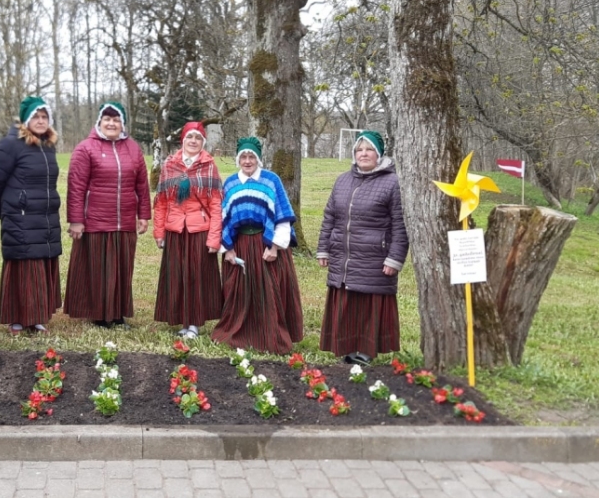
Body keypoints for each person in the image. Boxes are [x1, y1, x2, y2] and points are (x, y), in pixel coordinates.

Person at [317, 130, 408, 366]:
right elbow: (330, 216)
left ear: (378, 154)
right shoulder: (342, 180)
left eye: (369, 150)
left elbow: (401, 224)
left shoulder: (393, 183)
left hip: (375, 258)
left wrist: (394, 259)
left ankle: (366, 352)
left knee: (369, 307)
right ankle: (347, 348)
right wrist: (324, 248)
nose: (363, 154)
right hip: (344, 257)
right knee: (347, 306)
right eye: (359, 149)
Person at [63, 102, 151, 328]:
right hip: (96, 220)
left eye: (116, 119)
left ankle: (118, 313)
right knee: (100, 270)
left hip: (125, 222)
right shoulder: (86, 148)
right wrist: (76, 220)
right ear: (99, 122)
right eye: (107, 119)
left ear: (123, 123)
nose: (112, 123)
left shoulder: (133, 148)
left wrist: (143, 214)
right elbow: (76, 187)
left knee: (122, 269)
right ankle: (100, 315)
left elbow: (142, 184)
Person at [212, 137, 303, 354]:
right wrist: (228, 249)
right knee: (240, 290)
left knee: (269, 289)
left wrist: (275, 247)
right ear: (238, 159)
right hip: (241, 245)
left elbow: (281, 215)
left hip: (266, 244)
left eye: (251, 156)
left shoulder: (272, 180)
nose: (247, 160)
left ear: (258, 159)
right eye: (243, 156)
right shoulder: (231, 183)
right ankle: (239, 332)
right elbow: (224, 218)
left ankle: (270, 334)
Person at [0, 96, 61, 336]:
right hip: (21, 216)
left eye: (44, 117)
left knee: (40, 265)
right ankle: (17, 319)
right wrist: (5, 212)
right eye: (36, 117)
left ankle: (37, 318)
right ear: (26, 120)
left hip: (45, 216)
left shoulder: (47, 145)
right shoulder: (10, 145)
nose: (40, 121)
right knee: (24, 267)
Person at [152, 121, 223, 340]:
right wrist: (159, 232)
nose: (193, 142)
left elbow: (215, 204)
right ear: (183, 140)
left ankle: (194, 323)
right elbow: (162, 201)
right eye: (190, 138)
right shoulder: (170, 165)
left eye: (198, 138)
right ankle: (180, 319)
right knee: (177, 276)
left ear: (203, 142)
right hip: (175, 229)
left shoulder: (208, 165)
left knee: (196, 277)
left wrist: (214, 238)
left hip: (198, 229)